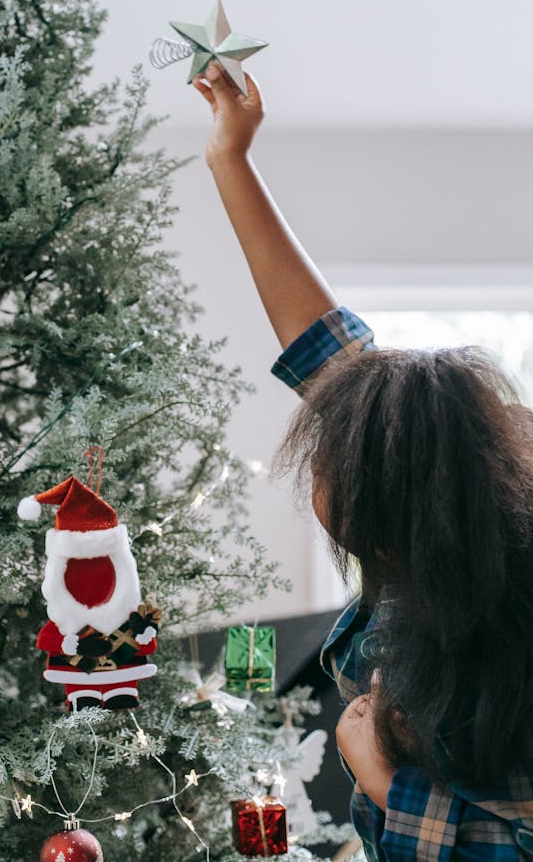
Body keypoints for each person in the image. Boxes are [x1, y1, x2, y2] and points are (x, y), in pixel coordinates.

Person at [193, 61, 533, 860]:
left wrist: (388, 786)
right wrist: (230, 158)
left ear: (390, 535)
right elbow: (327, 349)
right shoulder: (435, 475)